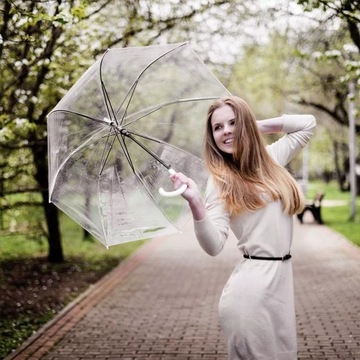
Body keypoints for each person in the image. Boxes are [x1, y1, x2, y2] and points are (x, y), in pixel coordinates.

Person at [171, 96, 316, 360]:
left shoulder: (271, 159)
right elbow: (214, 246)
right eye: (218, 127)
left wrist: (252, 126)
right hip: (250, 294)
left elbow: (307, 124)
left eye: (232, 123)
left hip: (281, 287)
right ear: (211, 136)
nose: (225, 130)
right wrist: (195, 203)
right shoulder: (220, 181)